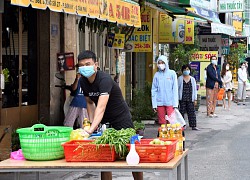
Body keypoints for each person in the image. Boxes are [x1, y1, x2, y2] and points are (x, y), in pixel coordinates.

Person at [77, 50, 142, 180]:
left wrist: (89, 130)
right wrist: (92, 124)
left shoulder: (104, 79)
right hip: (104, 122)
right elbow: (90, 103)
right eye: (82, 65)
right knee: (104, 156)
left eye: (88, 64)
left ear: (96, 64)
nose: (85, 67)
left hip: (121, 119)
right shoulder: (83, 82)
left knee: (131, 153)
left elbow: (100, 107)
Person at [151, 55, 178, 125]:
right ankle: (163, 134)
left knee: (171, 121)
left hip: (170, 102)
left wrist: (175, 103)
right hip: (159, 102)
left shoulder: (172, 73)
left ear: (166, 63)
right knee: (162, 121)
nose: (161, 65)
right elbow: (154, 90)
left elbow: (175, 89)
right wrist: (154, 104)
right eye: (159, 63)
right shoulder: (156, 75)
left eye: (162, 62)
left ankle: (171, 135)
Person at [178, 64, 199, 130]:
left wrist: (195, 99)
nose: (186, 71)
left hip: (190, 98)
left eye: (187, 69)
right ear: (182, 71)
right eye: (184, 70)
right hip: (182, 98)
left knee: (191, 112)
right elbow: (177, 89)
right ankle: (181, 125)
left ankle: (193, 125)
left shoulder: (192, 79)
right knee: (181, 112)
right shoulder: (180, 79)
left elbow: (195, 90)